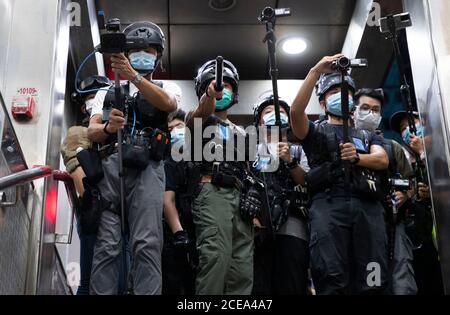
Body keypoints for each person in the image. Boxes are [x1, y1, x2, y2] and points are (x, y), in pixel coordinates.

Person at [87, 21, 181, 295]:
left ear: (158, 57)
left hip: (147, 170)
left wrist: (135, 78)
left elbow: (169, 105)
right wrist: (107, 128)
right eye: (136, 50)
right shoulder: (106, 92)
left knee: (147, 243)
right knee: (106, 246)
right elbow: (91, 131)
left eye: (149, 50)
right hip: (110, 170)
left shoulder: (167, 87)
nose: (143, 55)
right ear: (125, 54)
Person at [290, 54, 389, 295]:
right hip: (327, 205)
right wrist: (315, 70)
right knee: (331, 274)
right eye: (334, 92)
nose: (341, 96)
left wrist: (356, 157)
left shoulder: (368, 135)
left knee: (373, 274)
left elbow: (382, 159)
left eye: (346, 91)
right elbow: (295, 112)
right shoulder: (315, 132)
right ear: (322, 102)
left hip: (368, 207)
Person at [185, 58, 256, 295]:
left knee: (242, 270)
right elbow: (202, 112)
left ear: (235, 94)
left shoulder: (242, 134)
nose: (222, 88)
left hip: (240, 200)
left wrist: (252, 196)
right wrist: (209, 95)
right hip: (212, 192)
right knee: (216, 260)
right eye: (217, 84)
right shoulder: (196, 119)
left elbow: (249, 171)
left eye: (227, 86)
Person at [353, 88, 417, 295]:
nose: (370, 113)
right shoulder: (343, 142)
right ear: (353, 111)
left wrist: (405, 195)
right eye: (364, 108)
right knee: (368, 279)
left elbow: (412, 181)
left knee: (400, 277)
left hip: (391, 222)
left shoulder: (393, 147)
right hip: (355, 222)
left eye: (375, 109)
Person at [251, 94, 310, 295]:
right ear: (258, 122)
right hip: (257, 226)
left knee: (292, 283)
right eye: (267, 112)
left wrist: (289, 160)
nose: (274, 115)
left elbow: (305, 181)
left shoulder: (299, 151)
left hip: (292, 225)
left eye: (280, 112)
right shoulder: (249, 152)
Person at [60, 75, 110, 295]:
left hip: (119, 217)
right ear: (83, 107)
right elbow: (86, 191)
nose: (97, 99)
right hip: (96, 215)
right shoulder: (77, 134)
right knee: (92, 282)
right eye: (91, 97)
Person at [389, 110, 444, 295]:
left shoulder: (442, 149)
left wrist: (422, 151)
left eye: (412, 125)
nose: (407, 131)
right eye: (403, 129)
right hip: (419, 235)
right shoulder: (403, 160)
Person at [162, 108, 196, 295]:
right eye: (171, 128)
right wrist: (179, 233)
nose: (176, 131)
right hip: (175, 236)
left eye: (179, 126)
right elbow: (167, 200)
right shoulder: (169, 163)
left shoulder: (198, 159)